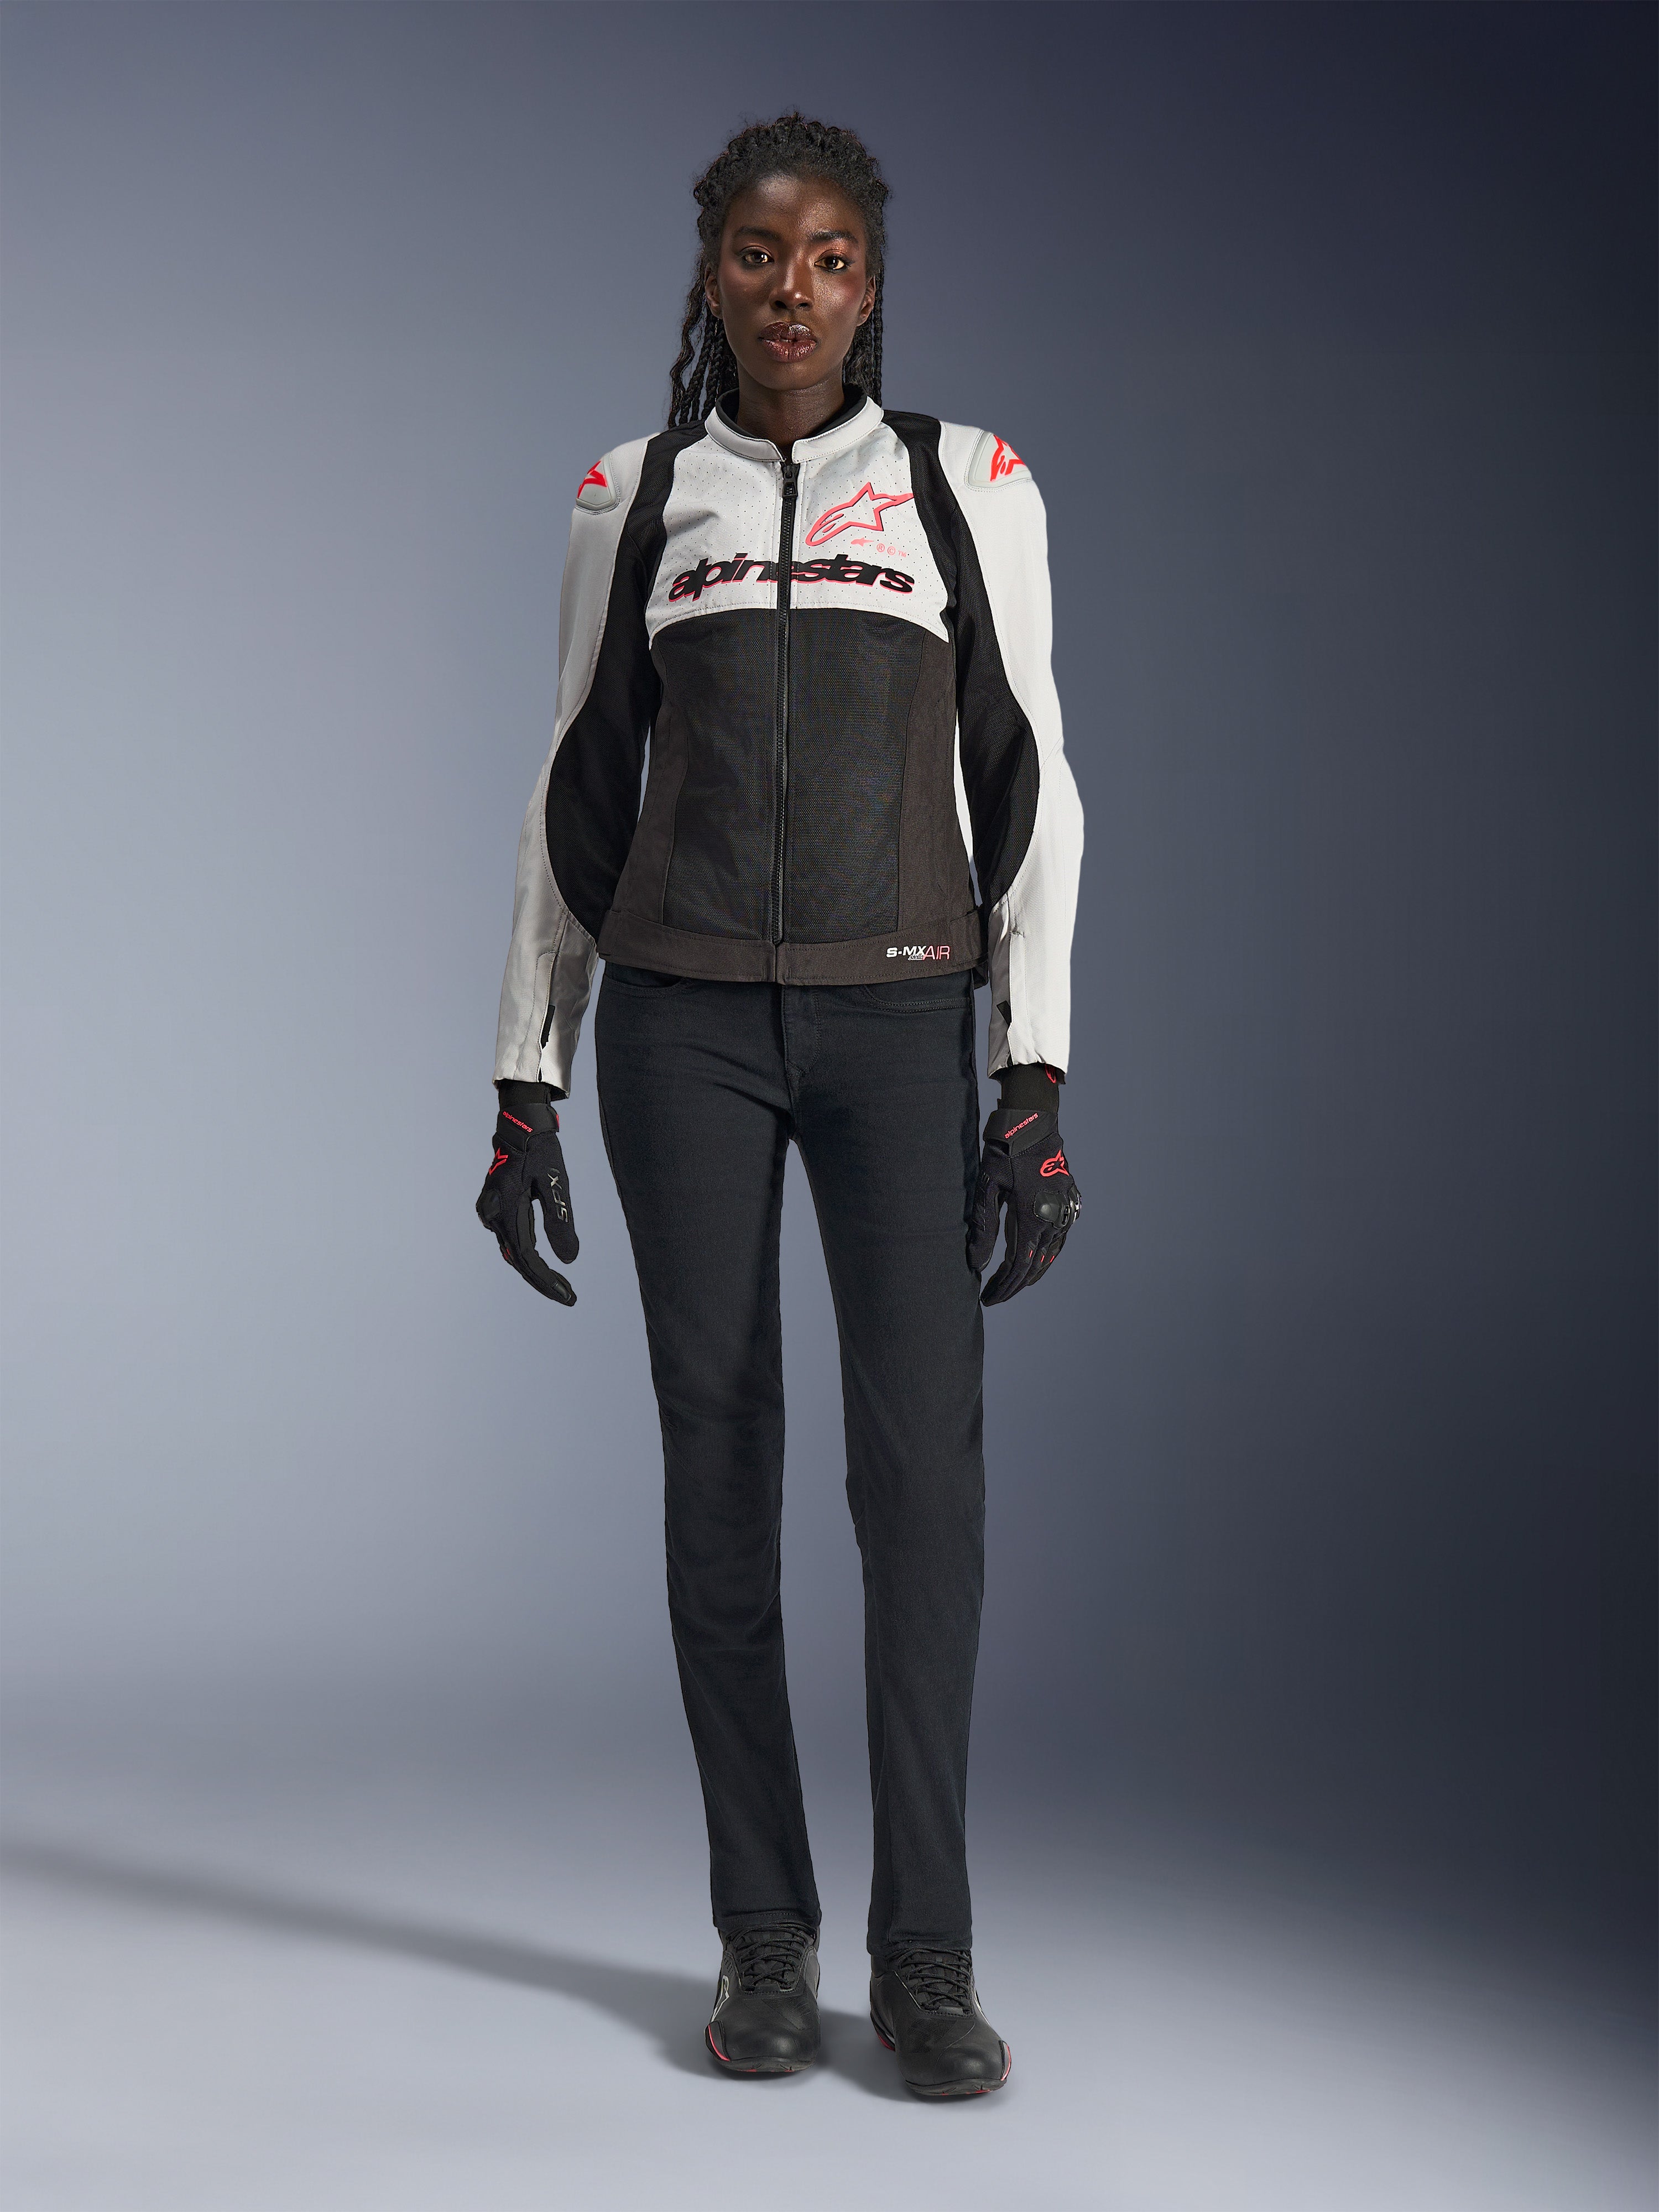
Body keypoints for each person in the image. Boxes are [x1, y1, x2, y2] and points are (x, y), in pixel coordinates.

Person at [477, 113, 1082, 2099]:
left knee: (923, 1497)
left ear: (871, 283)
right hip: (683, 1034)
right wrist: (524, 1077)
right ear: (712, 275)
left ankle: (926, 1955)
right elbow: (574, 796)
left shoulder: (969, 485)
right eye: (757, 252)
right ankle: (762, 1929)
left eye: (828, 257)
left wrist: (1035, 1074)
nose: (792, 288)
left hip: (900, 1025)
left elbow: (1031, 782)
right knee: (718, 1475)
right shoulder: (638, 494)